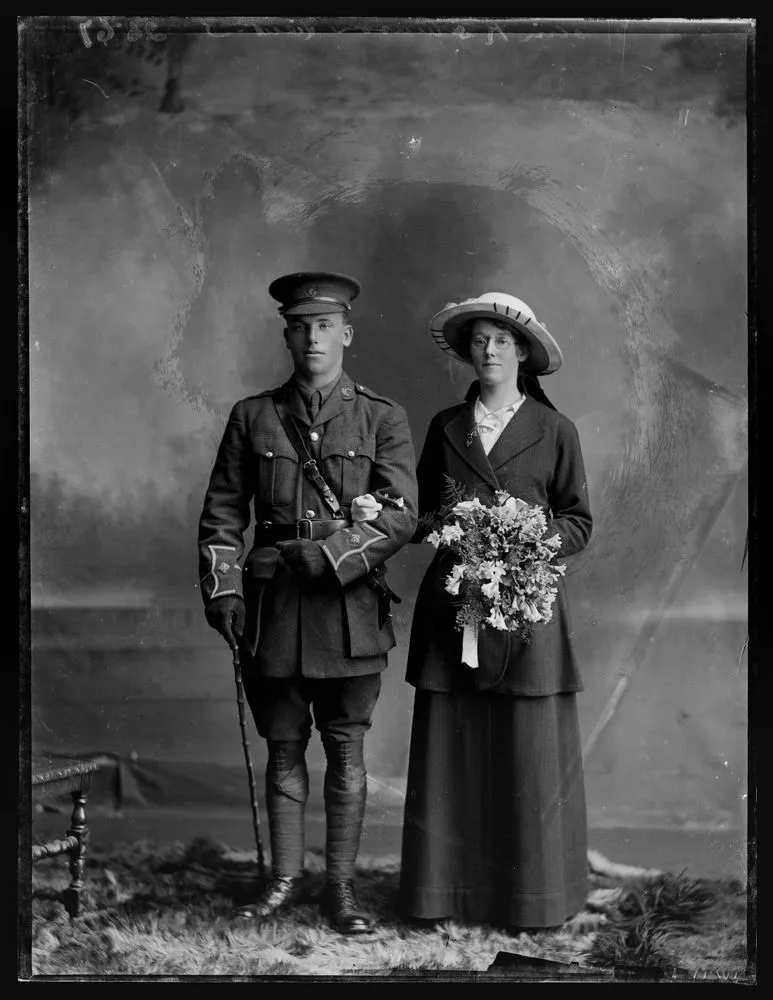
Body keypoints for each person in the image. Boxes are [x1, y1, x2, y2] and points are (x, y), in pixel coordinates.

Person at [198, 272, 418, 934]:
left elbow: (401, 515)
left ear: (345, 334)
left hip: (347, 612)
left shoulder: (381, 416)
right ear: (287, 336)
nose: (312, 337)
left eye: (324, 326)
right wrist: (224, 590)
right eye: (300, 326)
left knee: (347, 754)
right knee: (284, 749)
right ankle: (282, 880)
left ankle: (341, 888)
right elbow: (221, 514)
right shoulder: (252, 416)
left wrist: (329, 557)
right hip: (272, 612)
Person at [398, 291, 592, 932]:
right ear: (468, 353)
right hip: (456, 604)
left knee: (526, 751)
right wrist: (457, 529)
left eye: (502, 341)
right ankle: (443, 894)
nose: (489, 350)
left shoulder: (554, 429)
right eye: (480, 340)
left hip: (528, 608)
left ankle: (530, 900)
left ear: (524, 353)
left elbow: (578, 520)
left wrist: (528, 541)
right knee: (453, 744)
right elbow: (425, 515)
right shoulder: (445, 426)